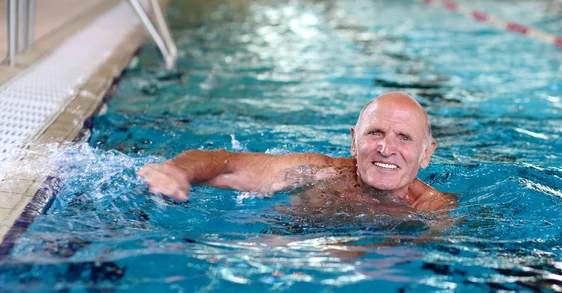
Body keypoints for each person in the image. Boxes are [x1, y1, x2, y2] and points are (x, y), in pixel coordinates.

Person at [138, 92, 457, 211]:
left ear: (426, 154)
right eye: (375, 133)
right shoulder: (318, 171)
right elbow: (227, 163)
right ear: (353, 142)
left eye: (404, 138)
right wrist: (179, 170)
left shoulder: (433, 210)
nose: (386, 149)